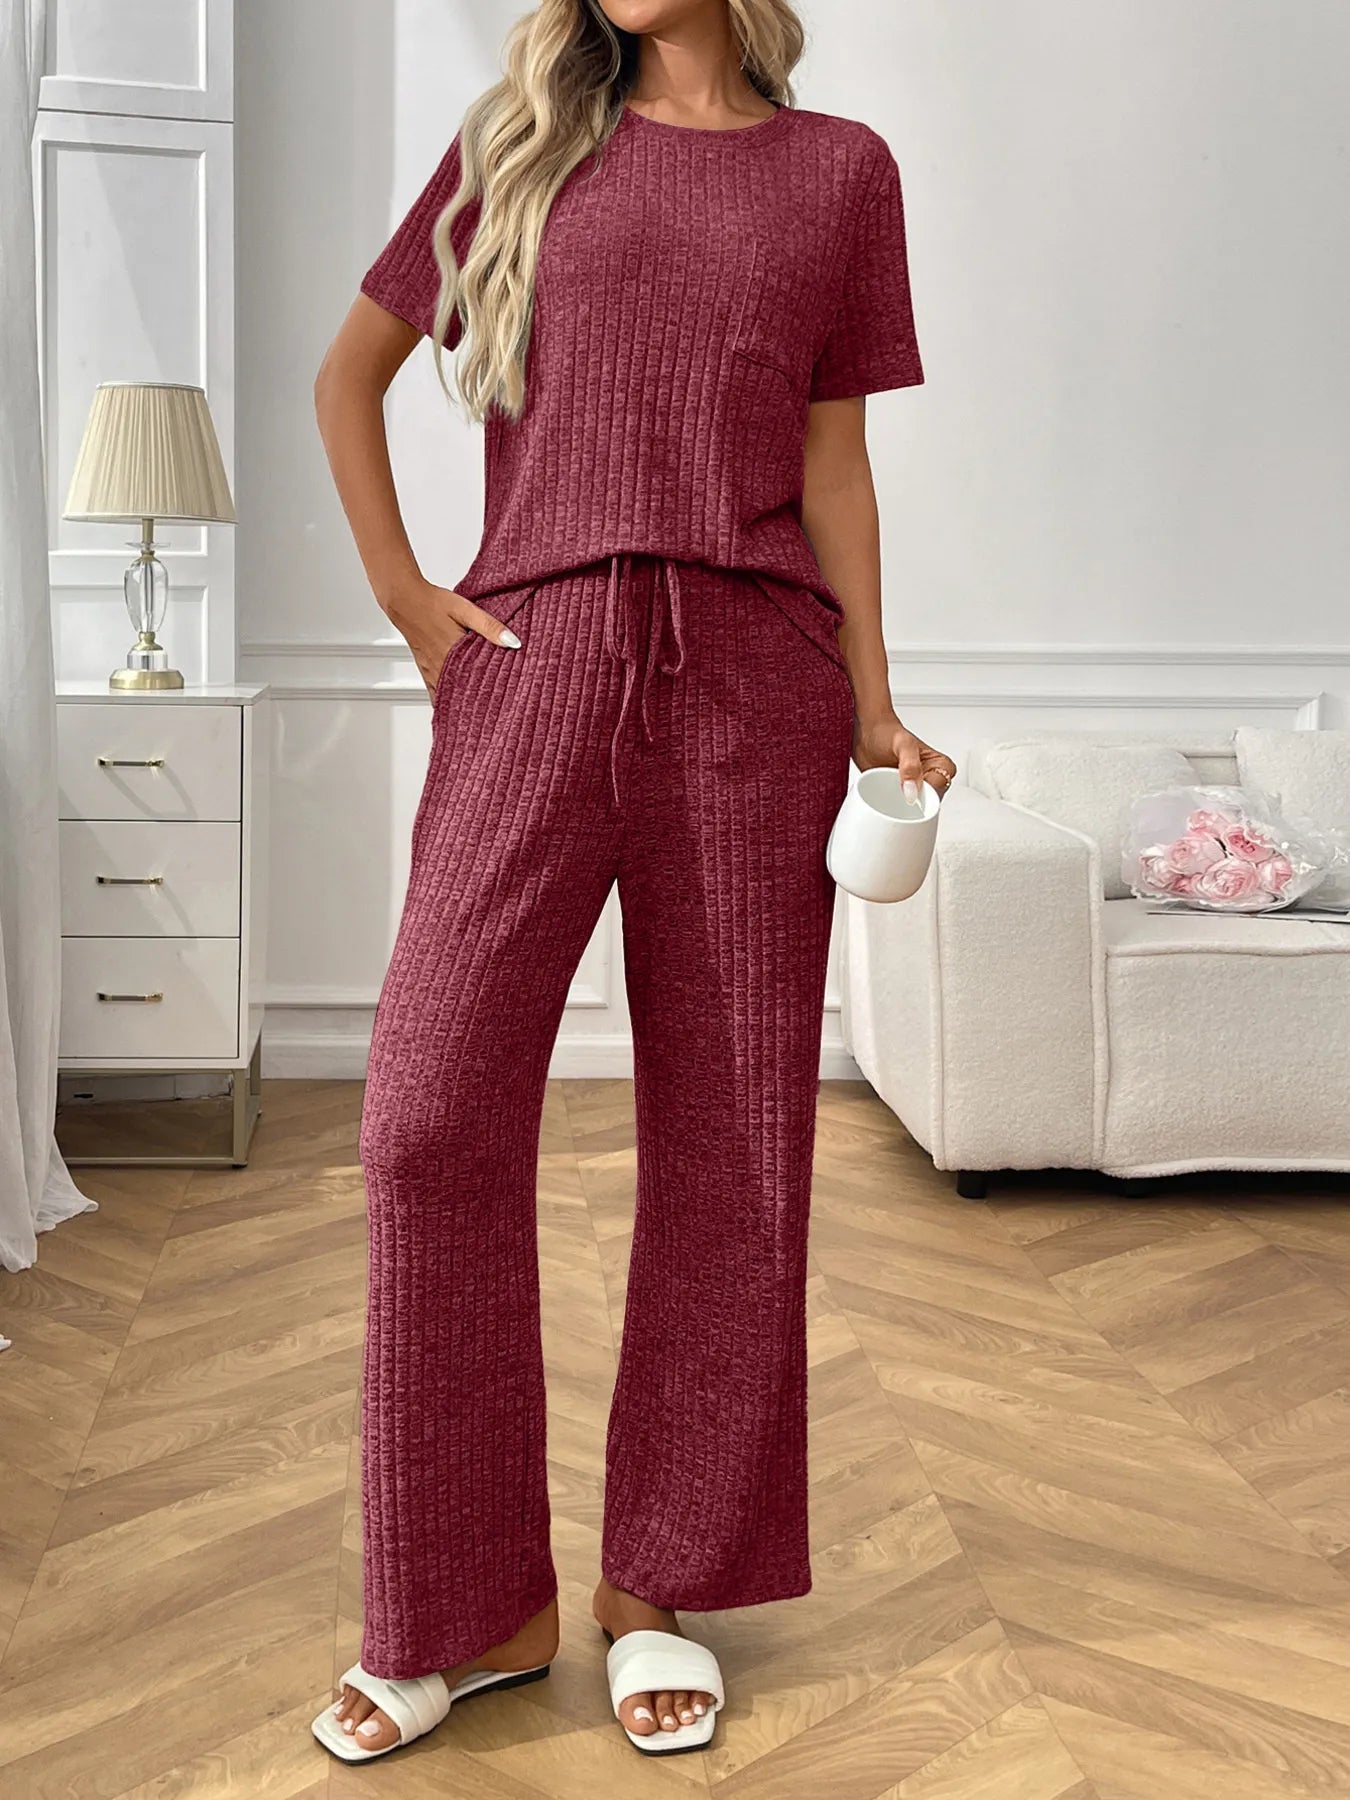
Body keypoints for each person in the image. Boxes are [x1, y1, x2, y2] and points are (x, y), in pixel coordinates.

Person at [310, 0, 956, 1764]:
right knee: (425, 1119)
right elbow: (345, 374)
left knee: (734, 1141)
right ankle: (463, 1609)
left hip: (756, 676)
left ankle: (652, 1586)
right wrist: (402, 594)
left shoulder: (839, 174)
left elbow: (835, 460)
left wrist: (874, 700)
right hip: (535, 646)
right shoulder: (525, 141)